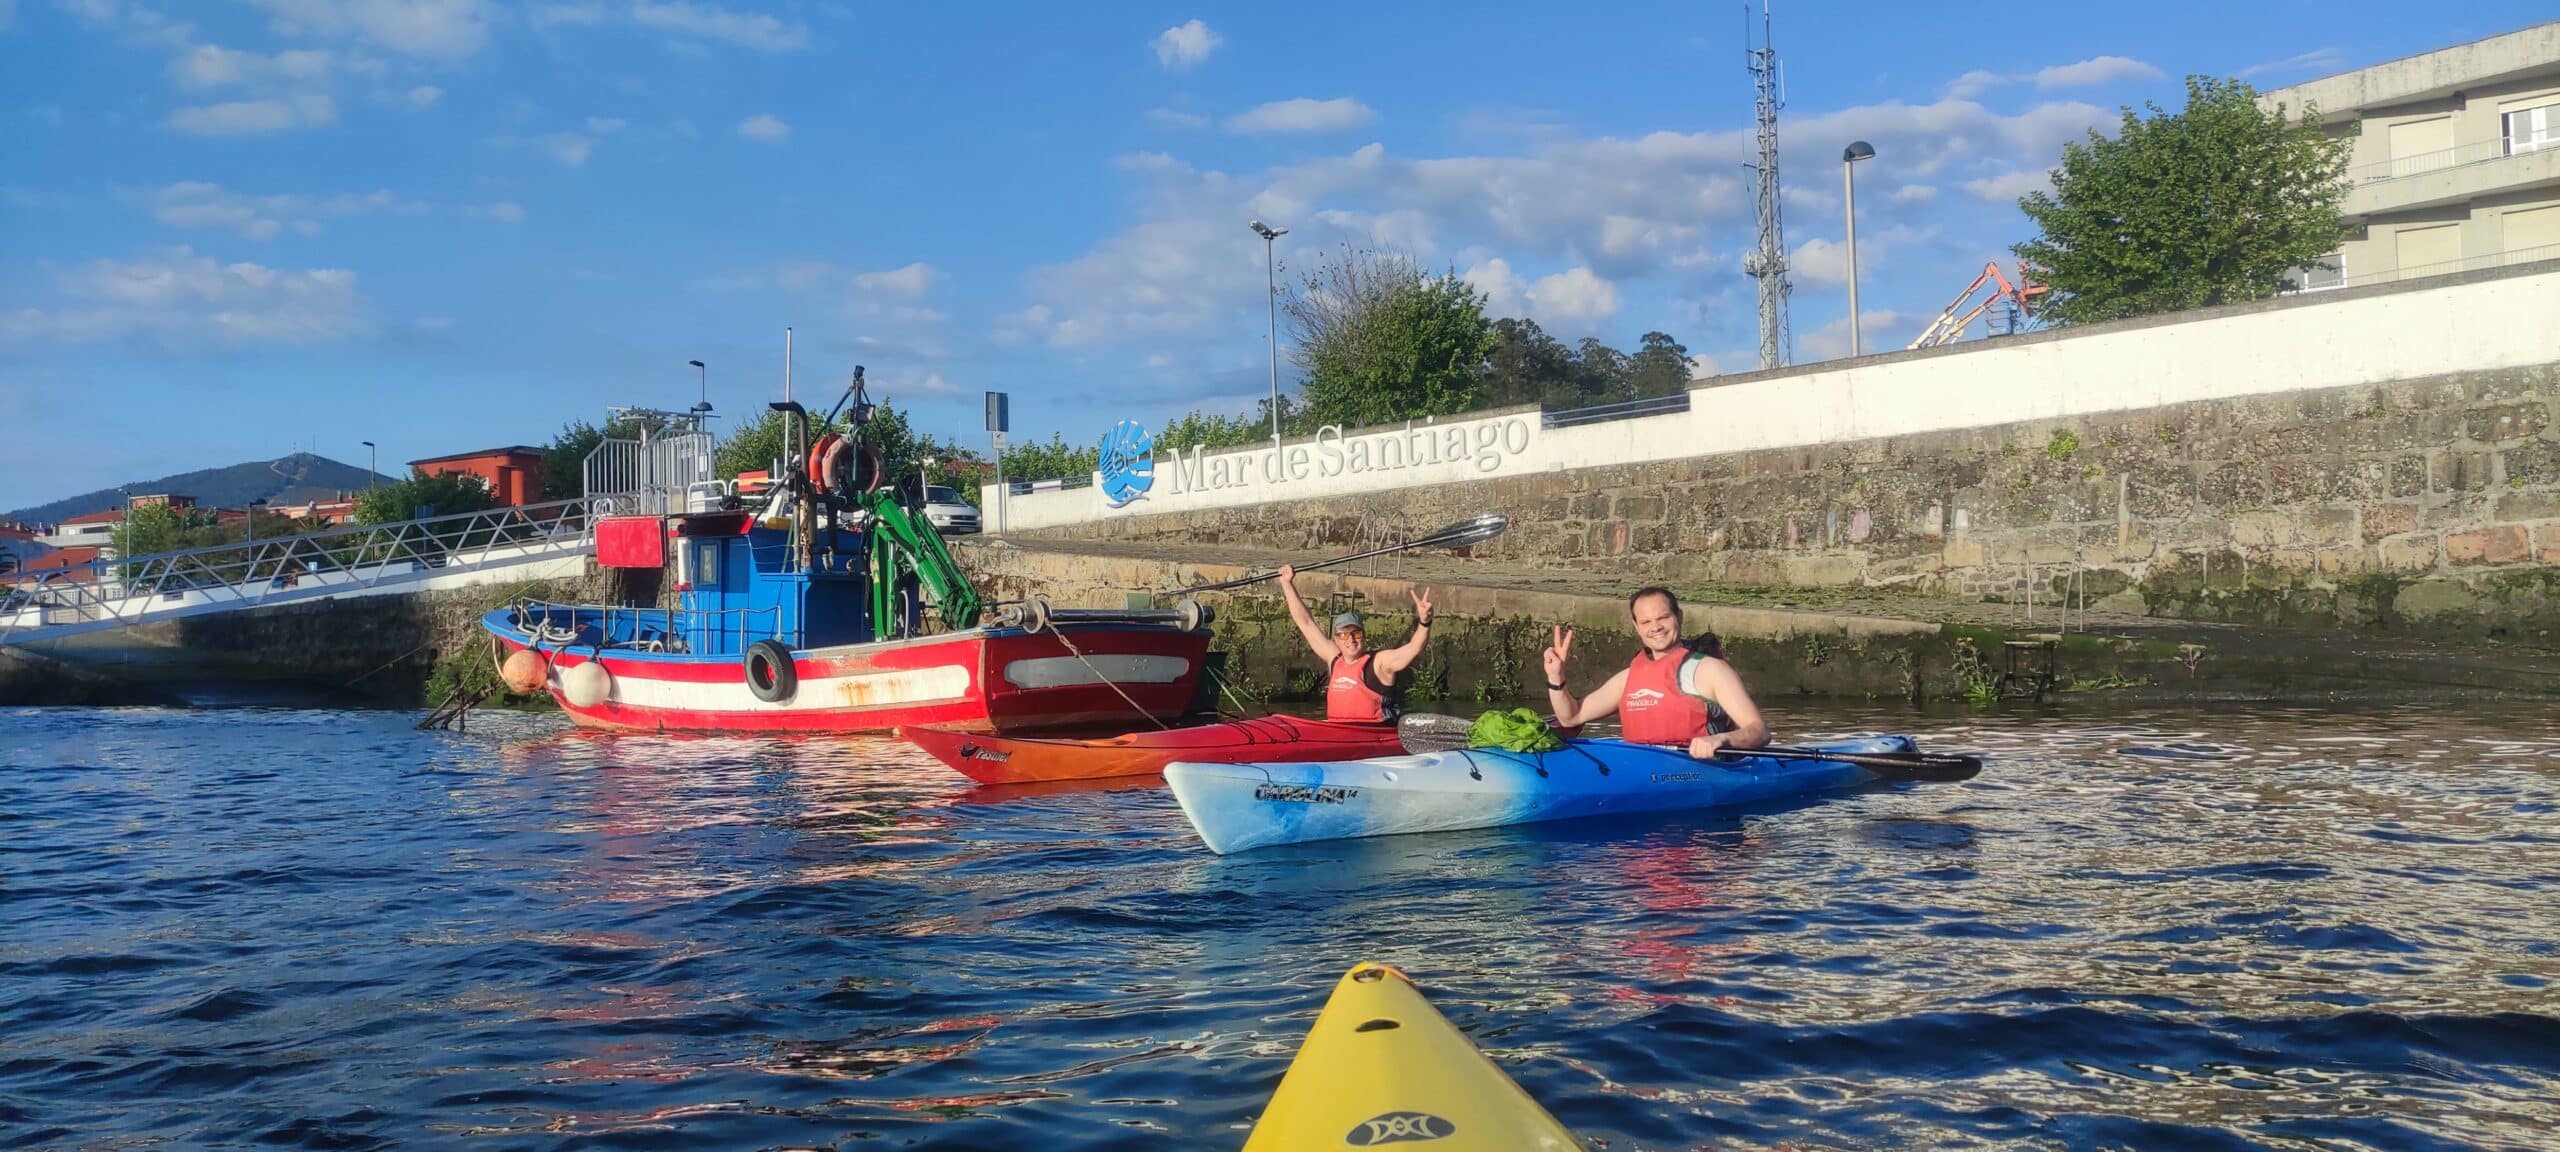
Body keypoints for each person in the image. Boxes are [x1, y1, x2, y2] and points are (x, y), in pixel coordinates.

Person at [1542, 586, 1770, 758]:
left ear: (1679, 617)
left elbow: (1759, 731)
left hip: (1703, 770)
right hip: (1643, 769)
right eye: (1647, 621)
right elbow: (1570, 717)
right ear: (1637, 627)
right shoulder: (1628, 678)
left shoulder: (1710, 670)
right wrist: (1556, 678)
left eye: (1663, 618)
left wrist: (1721, 739)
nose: (1656, 627)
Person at [1274, 564, 1435, 723]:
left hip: (1374, 736)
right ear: (1336, 639)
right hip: (1338, 735)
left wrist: (1424, 622)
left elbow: (1413, 648)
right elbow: (1306, 623)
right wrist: (1287, 584)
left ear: (1363, 636)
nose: (1350, 639)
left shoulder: (1379, 663)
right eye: (1344, 635)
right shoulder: (1334, 658)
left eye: (1355, 633)